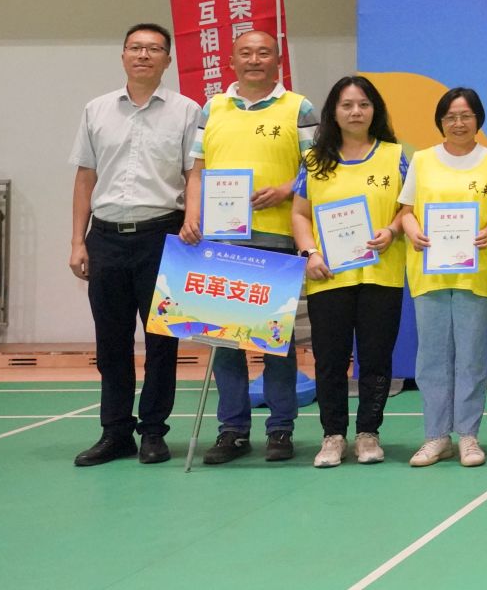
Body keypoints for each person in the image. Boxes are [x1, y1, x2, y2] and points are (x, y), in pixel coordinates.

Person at [184, 29, 317, 465]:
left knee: (275, 342)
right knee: (225, 344)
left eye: (264, 53)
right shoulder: (213, 107)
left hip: (277, 239)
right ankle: (232, 431)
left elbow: (318, 168)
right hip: (221, 240)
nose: (255, 60)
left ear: (278, 60)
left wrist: (285, 190)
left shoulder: (299, 107)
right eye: (246, 53)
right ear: (231, 61)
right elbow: (197, 171)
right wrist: (191, 216)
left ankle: (280, 429)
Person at [68, 23, 199, 466]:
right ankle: (115, 432)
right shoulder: (96, 110)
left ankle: (154, 432)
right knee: (111, 342)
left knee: (162, 341)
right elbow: (85, 176)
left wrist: (193, 218)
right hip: (105, 237)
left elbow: (193, 173)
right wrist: (77, 241)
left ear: (167, 60)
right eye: (135, 47)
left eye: (154, 49)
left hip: (162, 235)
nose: (143, 55)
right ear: (123, 55)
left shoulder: (186, 111)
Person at [291, 75, 407, 467]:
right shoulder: (314, 161)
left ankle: (369, 434)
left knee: (375, 359)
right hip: (328, 277)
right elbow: (300, 214)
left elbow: (409, 207)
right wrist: (310, 253)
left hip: (381, 276)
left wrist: (392, 230)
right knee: (330, 360)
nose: (356, 112)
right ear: (333, 112)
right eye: (347, 105)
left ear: (375, 110)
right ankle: (333, 436)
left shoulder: (395, 156)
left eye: (363, 104)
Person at [397, 87, 487, 467]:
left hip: (475, 273)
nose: (458, 123)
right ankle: (435, 436)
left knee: (471, 356)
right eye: (450, 117)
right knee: (431, 357)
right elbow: (406, 211)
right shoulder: (423, 160)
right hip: (428, 272)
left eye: (466, 116)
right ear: (440, 121)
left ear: (478, 119)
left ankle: (469, 436)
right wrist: (413, 231)